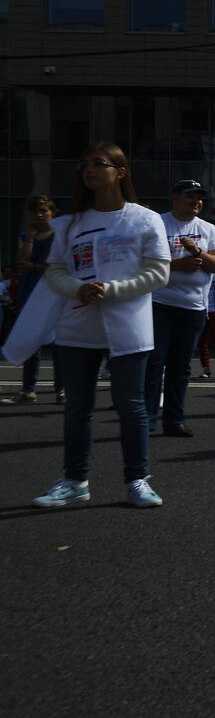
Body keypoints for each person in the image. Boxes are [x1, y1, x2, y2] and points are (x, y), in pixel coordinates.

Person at [31, 145, 172, 508]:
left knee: (131, 405)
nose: (89, 169)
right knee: (78, 406)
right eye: (84, 165)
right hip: (78, 323)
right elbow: (56, 271)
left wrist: (112, 290)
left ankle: (138, 480)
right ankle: (75, 480)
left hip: (129, 324)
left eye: (98, 163)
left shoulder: (145, 219)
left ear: (121, 171)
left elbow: (159, 272)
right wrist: (78, 287)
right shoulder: (72, 223)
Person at [146, 179, 215, 438]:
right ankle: (146, 420)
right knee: (155, 362)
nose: (196, 201)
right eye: (190, 196)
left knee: (180, 366)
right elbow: (144, 264)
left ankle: (174, 421)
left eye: (199, 197)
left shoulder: (208, 228)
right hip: (160, 302)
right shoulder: (157, 222)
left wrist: (198, 252)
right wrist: (178, 265)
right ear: (175, 198)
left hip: (193, 306)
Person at [4, 195, 64, 405]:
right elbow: (22, 261)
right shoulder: (27, 235)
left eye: (44, 210)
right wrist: (29, 237)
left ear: (52, 212)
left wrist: (35, 267)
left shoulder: (59, 236)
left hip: (54, 293)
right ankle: (29, 389)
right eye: (36, 211)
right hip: (29, 292)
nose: (39, 214)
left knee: (59, 343)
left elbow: (60, 267)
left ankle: (61, 388)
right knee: (32, 341)